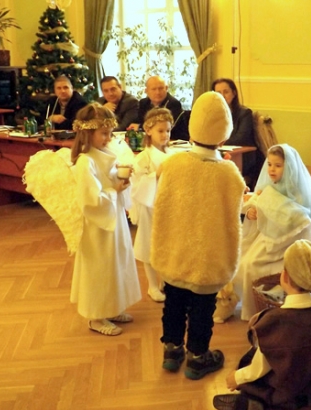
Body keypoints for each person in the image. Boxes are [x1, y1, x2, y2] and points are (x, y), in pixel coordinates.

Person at [150, 91, 246, 380]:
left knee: (173, 303)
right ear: (224, 134)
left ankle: (171, 351)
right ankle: (197, 357)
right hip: (209, 255)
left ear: (192, 129)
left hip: (175, 250)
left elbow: (163, 201)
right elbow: (234, 212)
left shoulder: (173, 164)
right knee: (203, 308)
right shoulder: (229, 173)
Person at [213, 240, 311, 410]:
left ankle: (257, 404)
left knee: (252, 364)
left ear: (284, 277)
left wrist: (237, 378)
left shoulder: (274, 323)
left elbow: (259, 367)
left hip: (288, 390)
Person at [69, 103, 142, 336]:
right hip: (97, 225)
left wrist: (122, 180)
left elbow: (109, 183)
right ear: (87, 133)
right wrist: (114, 190)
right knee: (99, 267)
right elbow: (90, 200)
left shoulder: (106, 154)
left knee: (115, 263)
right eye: (104, 133)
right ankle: (96, 317)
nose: (109, 138)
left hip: (113, 218)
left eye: (110, 133)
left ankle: (111, 307)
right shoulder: (85, 162)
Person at [233, 143, 311, 321]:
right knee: (242, 262)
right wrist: (251, 212)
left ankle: (257, 309)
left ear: (288, 168)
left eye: (278, 165)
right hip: (267, 236)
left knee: (252, 265)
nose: (272, 169)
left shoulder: (298, 191)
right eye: (269, 164)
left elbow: (297, 220)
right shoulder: (269, 185)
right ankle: (252, 307)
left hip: (287, 241)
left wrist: (271, 209)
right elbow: (256, 201)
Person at [130, 108, 175, 303]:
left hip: (170, 205)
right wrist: (155, 175)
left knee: (167, 244)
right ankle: (152, 285)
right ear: (148, 130)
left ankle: (166, 280)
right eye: (160, 131)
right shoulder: (143, 158)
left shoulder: (173, 154)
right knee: (150, 245)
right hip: (150, 205)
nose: (165, 135)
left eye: (168, 130)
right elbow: (136, 184)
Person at [212, 78, 264, 190]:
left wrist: (215, 141)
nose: (222, 96)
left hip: (245, 156)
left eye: (226, 92)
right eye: (218, 93)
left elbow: (241, 138)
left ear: (234, 93)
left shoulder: (244, 113)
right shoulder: (213, 114)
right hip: (222, 152)